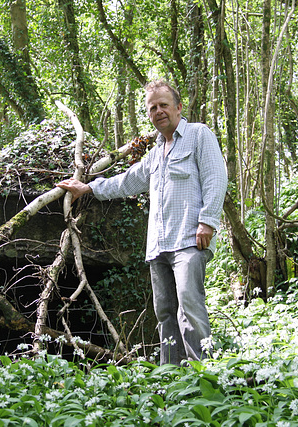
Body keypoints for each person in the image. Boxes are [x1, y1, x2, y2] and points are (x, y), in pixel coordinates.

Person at [57, 80, 227, 365]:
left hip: (189, 240)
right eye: (152, 108)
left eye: (163, 105)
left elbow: (216, 177)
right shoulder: (154, 154)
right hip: (158, 246)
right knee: (164, 313)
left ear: (178, 107)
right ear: (149, 115)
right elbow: (128, 181)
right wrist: (88, 188)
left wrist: (207, 221)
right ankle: (171, 377)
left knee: (190, 306)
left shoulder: (199, 135)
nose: (159, 111)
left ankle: (204, 375)